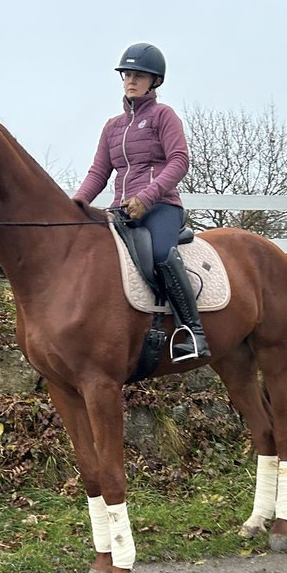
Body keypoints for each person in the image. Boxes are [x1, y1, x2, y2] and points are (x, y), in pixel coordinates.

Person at [73, 42, 210, 362]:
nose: (131, 81)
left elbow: (179, 161)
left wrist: (147, 198)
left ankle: (193, 332)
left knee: (161, 254)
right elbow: (99, 172)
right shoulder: (112, 127)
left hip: (161, 207)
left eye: (139, 75)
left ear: (155, 81)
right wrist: (77, 203)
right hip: (120, 210)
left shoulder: (164, 116)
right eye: (127, 75)